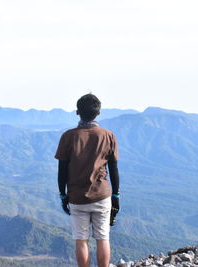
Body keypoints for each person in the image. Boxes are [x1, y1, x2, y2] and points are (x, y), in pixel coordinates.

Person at [55, 93, 120, 267]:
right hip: (102, 195)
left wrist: (63, 195)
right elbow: (113, 170)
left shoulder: (68, 136)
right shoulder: (108, 136)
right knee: (103, 238)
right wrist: (116, 195)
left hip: (77, 196)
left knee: (81, 240)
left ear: (77, 112)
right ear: (98, 112)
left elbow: (61, 171)